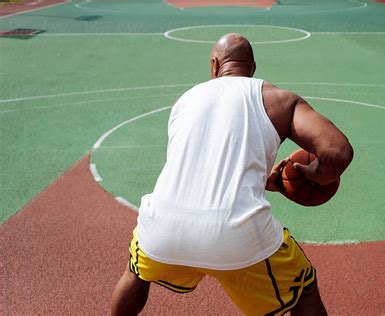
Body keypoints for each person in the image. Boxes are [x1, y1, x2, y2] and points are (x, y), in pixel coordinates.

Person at [111, 33, 353, 315]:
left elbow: (200, 169)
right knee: (304, 289)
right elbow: (337, 152)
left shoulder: (185, 100)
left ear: (214, 65)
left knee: (136, 273)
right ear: (252, 68)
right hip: (236, 235)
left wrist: (262, 180)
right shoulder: (278, 100)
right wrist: (319, 176)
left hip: (161, 229)